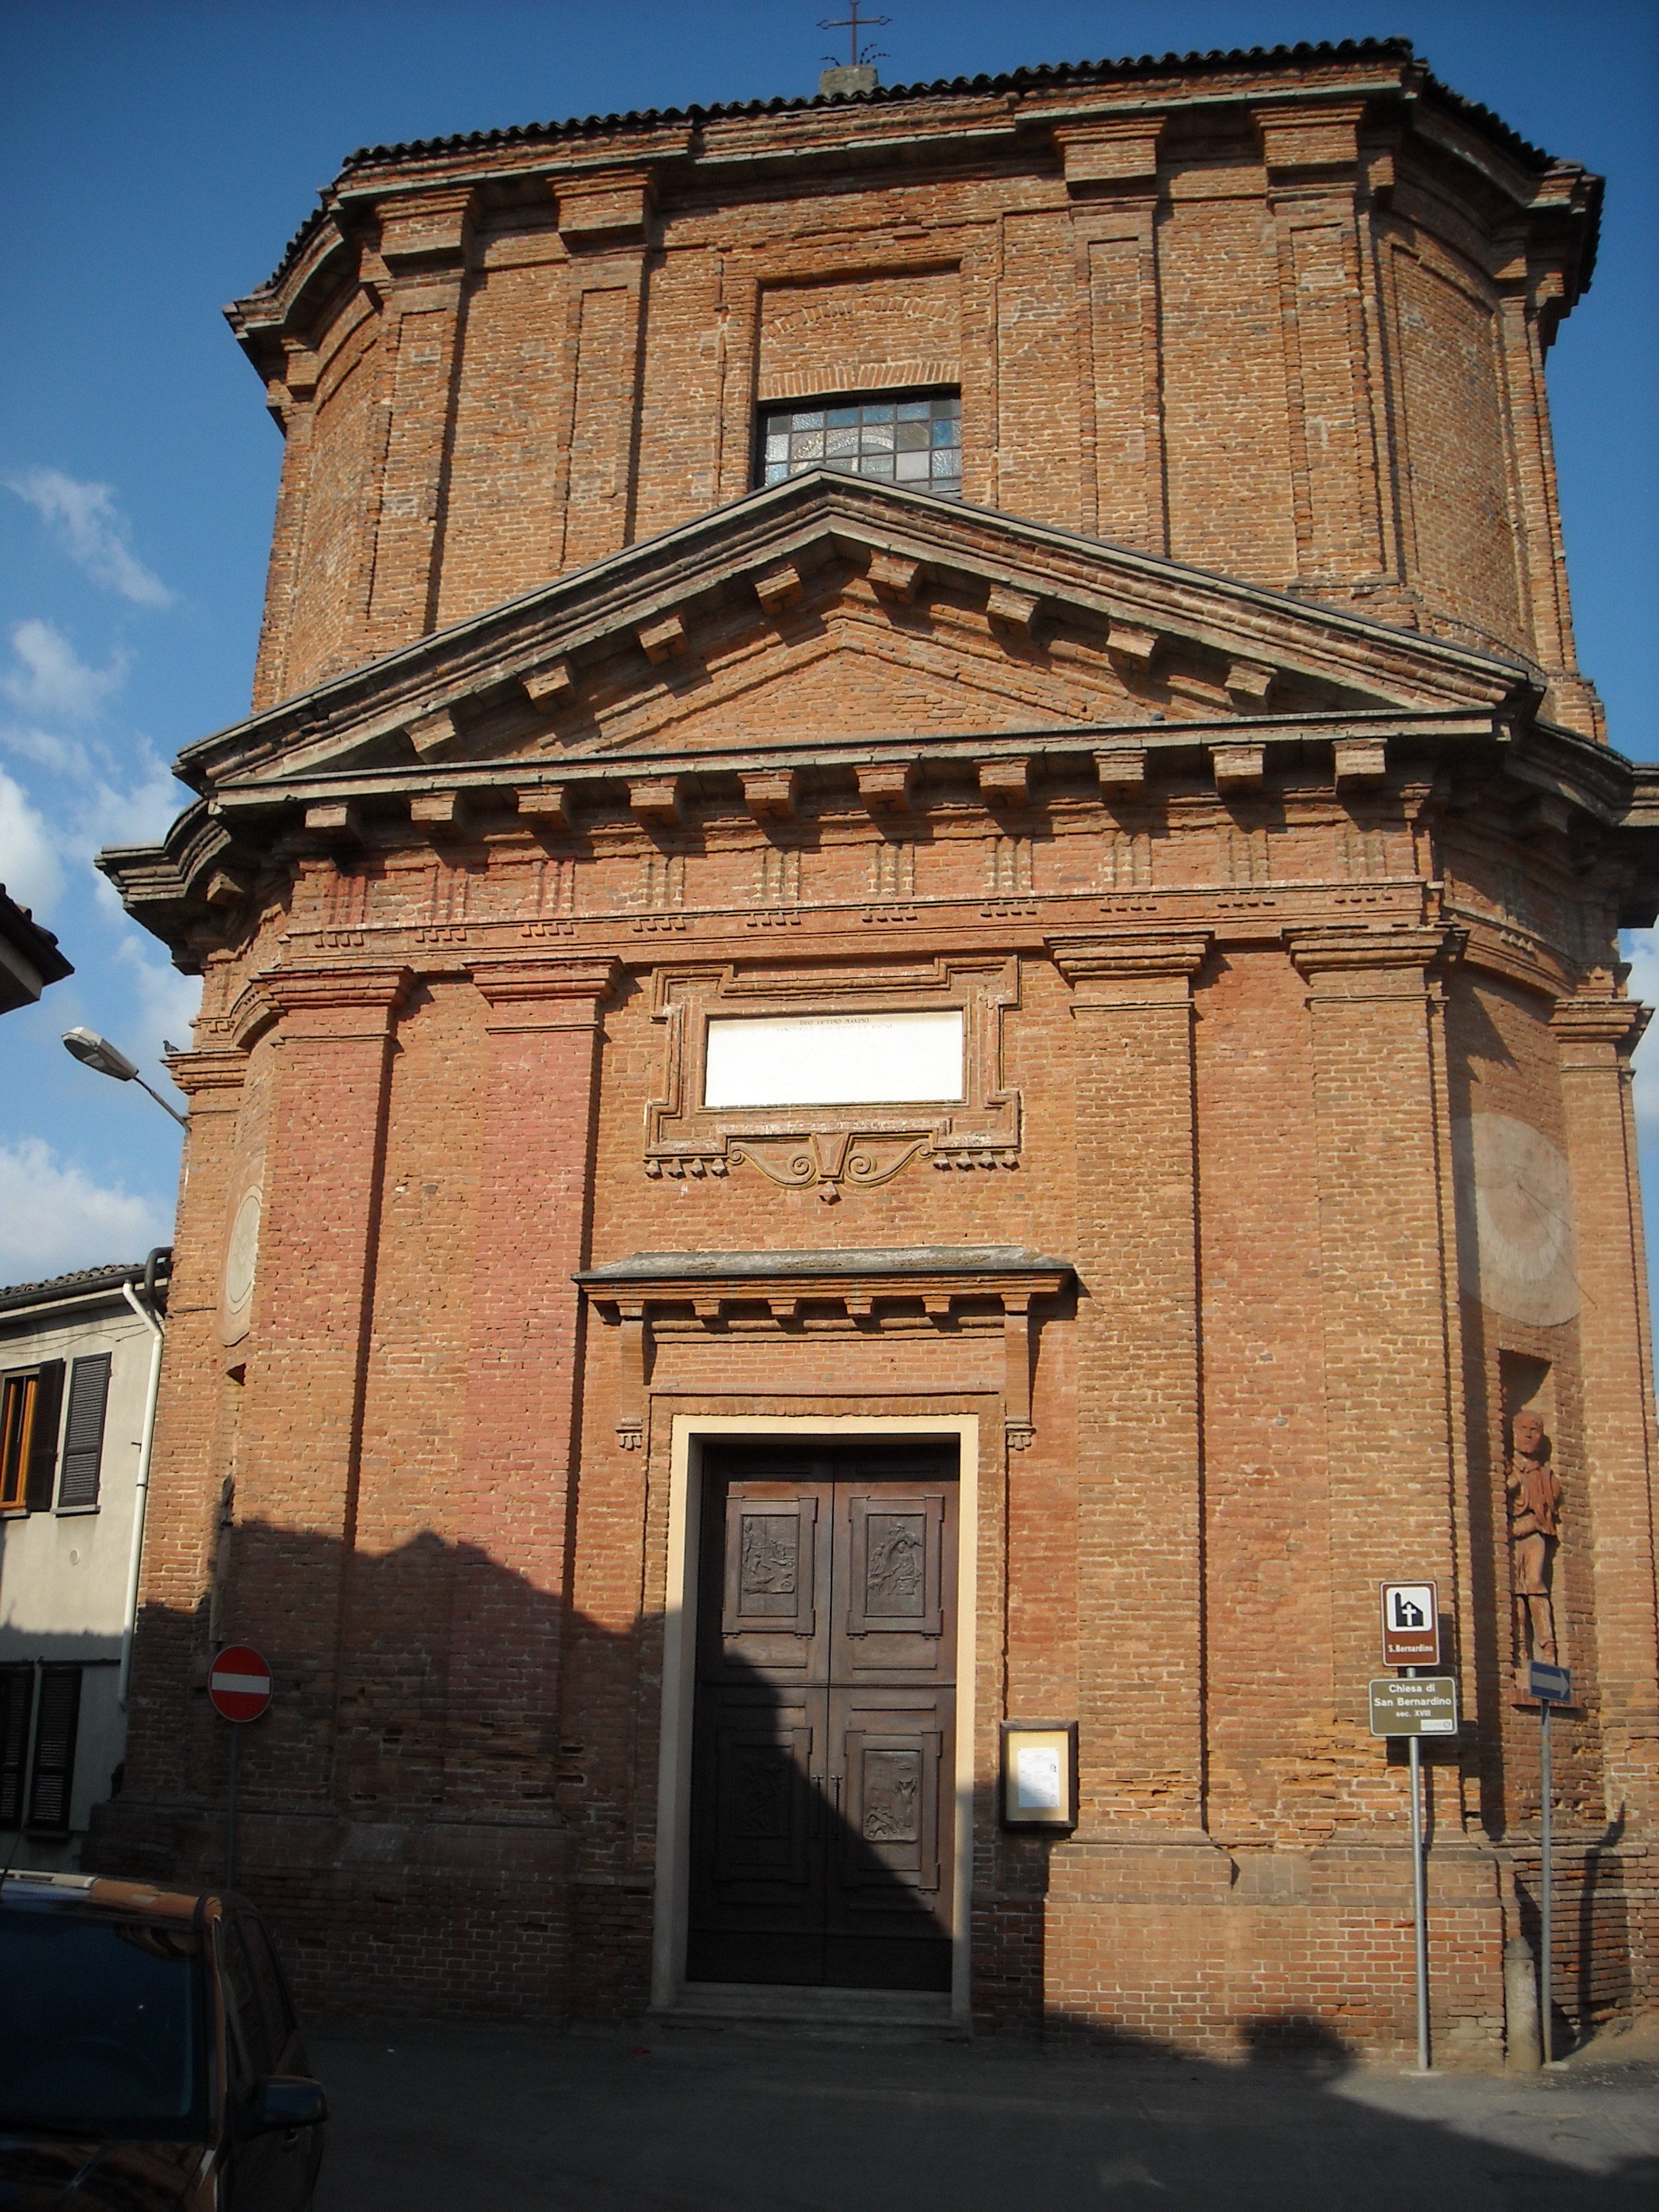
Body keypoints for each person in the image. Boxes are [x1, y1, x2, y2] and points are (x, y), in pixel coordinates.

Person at [1507, 1409, 1561, 1666]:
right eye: (1523, 1429)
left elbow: (1550, 1504)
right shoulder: (1507, 1470)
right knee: (1515, 1590)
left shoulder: (1545, 1475)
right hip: (1512, 1536)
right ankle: (1519, 1651)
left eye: (1535, 1430)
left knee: (1536, 1585)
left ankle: (1548, 1648)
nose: (1529, 1435)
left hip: (1534, 1536)